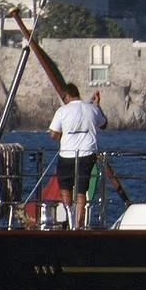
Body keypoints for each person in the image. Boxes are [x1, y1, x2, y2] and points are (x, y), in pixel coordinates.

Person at [47, 90, 107, 228]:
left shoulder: (62, 111)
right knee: (81, 191)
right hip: (87, 154)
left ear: (68, 95)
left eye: (64, 97)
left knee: (65, 188)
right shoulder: (92, 108)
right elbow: (103, 124)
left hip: (67, 154)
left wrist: (63, 138)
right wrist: (97, 105)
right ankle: (78, 223)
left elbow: (53, 133)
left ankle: (69, 219)